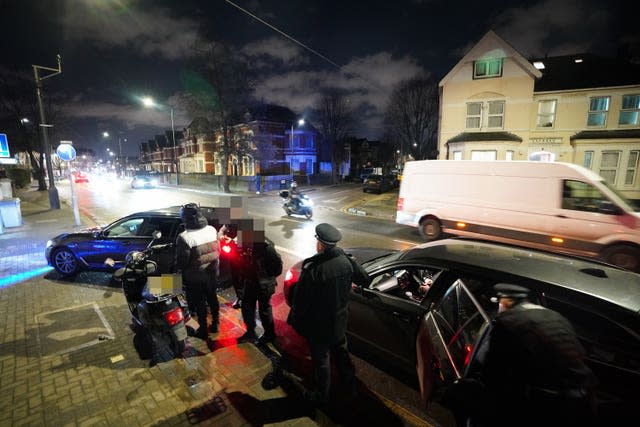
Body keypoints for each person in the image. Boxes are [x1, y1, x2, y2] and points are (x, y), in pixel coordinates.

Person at [445, 283, 597, 427]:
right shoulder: (556, 317)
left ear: (505, 302)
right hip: (581, 400)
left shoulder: (508, 322)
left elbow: (493, 375)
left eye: (500, 302)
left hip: (544, 407)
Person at [287, 223, 369, 406]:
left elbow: (301, 302)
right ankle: (351, 389)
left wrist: (295, 320)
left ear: (320, 244)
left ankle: (321, 396)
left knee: (321, 362)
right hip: (339, 321)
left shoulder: (313, 269)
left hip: (319, 326)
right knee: (342, 356)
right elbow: (364, 278)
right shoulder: (347, 261)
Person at [174, 203, 221, 340]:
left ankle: (203, 330)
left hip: (195, 276)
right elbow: (217, 249)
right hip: (212, 272)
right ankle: (216, 323)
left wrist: (178, 271)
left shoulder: (185, 237)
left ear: (184, 218)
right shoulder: (212, 229)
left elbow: (183, 261)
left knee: (200, 302)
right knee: (212, 297)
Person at [236, 228, 282, 344]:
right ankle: (251, 332)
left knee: (265, 309)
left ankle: (269, 334)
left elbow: (277, 269)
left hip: (264, 285)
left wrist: (265, 276)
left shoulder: (267, 249)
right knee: (247, 306)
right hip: (251, 282)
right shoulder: (247, 245)